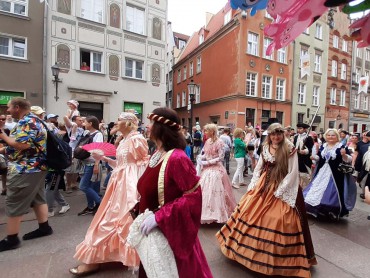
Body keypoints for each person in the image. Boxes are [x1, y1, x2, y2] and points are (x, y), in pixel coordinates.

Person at [217, 123, 316, 277]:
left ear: (283, 134)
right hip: (264, 183)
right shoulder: (265, 147)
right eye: (273, 134)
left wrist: (280, 190)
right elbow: (259, 167)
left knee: (278, 219)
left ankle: (280, 260)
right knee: (247, 210)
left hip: (283, 184)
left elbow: (292, 172)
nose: (276, 137)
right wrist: (253, 184)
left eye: (278, 134)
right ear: (269, 135)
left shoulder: (289, 148)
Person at [69, 112, 149, 276]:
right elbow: (121, 164)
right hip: (119, 182)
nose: (116, 123)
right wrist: (104, 158)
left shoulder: (137, 139)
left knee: (119, 218)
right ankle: (103, 256)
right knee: (110, 217)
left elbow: (142, 164)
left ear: (128, 123)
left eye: (119, 120)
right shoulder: (125, 139)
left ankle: (100, 259)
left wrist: (137, 188)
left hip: (129, 184)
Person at [136, 107, 213, 278]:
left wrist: (159, 217)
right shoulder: (157, 153)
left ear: (161, 128)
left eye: (151, 123)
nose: (147, 127)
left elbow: (193, 197)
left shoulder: (177, 158)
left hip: (171, 236)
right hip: (153, 234)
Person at [0, 98, 52, 252]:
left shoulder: (27, 122)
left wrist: (3, 136)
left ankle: (12, 238)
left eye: (9, 108)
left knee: (14, 201)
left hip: (26, 169)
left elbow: (22, 145)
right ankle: (44, 228)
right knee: (38, 198)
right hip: (36, 167)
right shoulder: (36, 120)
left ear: (17, 107)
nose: (7, 111)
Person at [303, 128, 355, 219]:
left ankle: (331, 211)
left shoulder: (341, 146)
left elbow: (349, 159)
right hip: (322, 172)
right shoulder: (323, 146)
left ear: (337, 136)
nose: (330, 137)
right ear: (326, 136)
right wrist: (314, 157)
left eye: (333, 135)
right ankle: (317, 209)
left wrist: (344, 155)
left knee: (333, 192)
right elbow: (320, 157)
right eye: (328, 135)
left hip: (335, 174)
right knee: (316, 189)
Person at [198, 124, 236, 224]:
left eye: (206, 131)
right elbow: (206, 153)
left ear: (212, 131)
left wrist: (208, 162)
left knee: (217, 190)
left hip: (216, 169)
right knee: (204, 190)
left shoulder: (219, 142)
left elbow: (221, 157)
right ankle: (205, 213)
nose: (205, 133)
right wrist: (201, 158)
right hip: (207, 170)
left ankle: (218, 215)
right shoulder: (207, 141)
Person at [77, 116, 104, 216]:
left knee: (83, 186)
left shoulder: (98, 134)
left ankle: (99, 203)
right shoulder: (87, 133)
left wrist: (97, 164)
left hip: (92, 163)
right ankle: (90, 206)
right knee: (88, 186)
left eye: (85, 122)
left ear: (91, 123)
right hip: (85, 163)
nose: (83, 124)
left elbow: (98, 150)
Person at [293, 122, 314, 189]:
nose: (299, 130)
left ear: (305, 129)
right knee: (297, 173)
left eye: (300, 128)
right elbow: (294, 145)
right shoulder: (296, 137)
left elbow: (311, 148)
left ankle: (309, 187)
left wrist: (305, 151)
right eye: (298, 128)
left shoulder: (309, 138)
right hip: (297, 156)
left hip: (305, 158)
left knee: (305, 174)